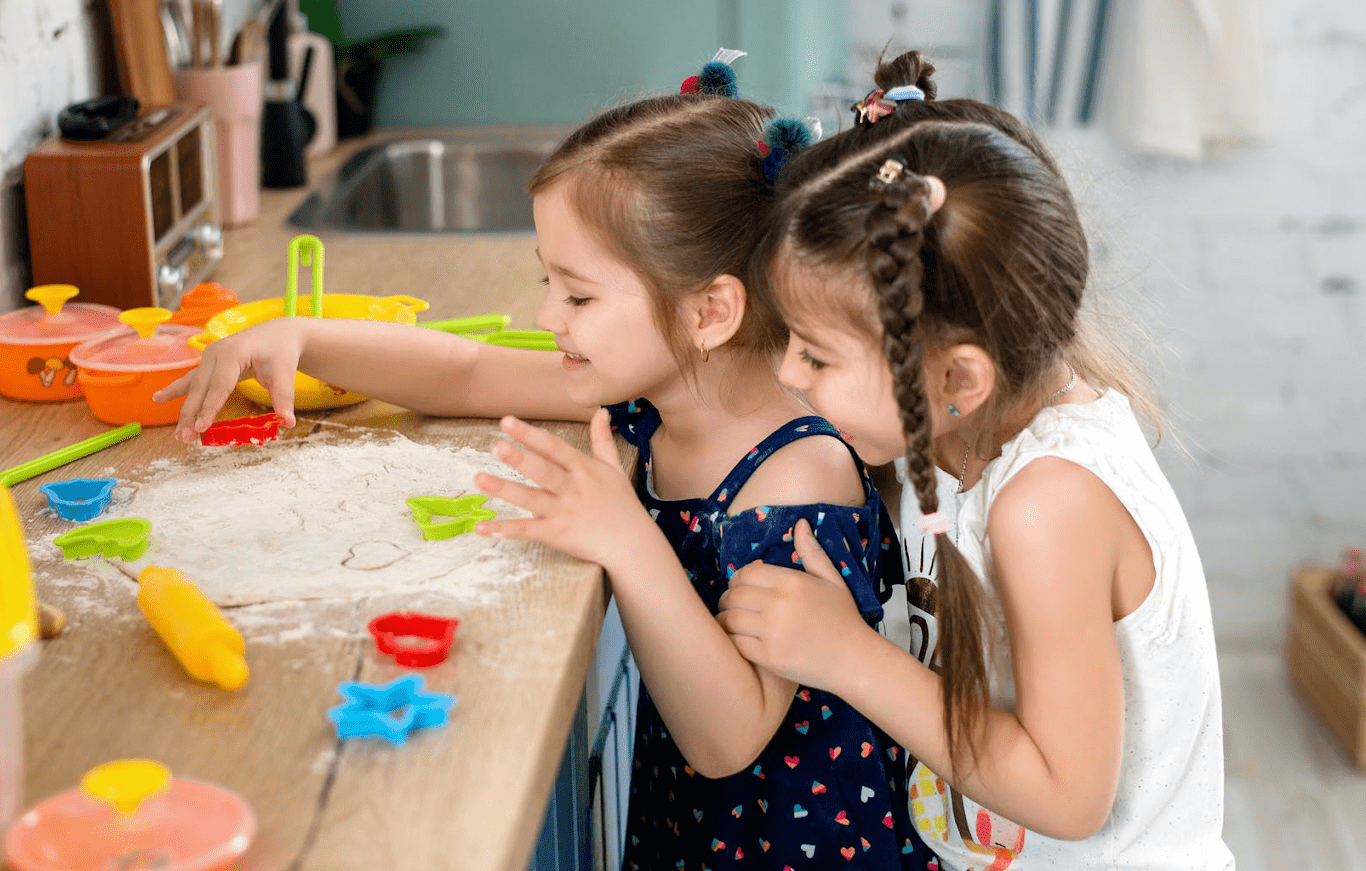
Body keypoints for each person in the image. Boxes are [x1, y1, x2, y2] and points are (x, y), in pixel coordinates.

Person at [156, 56, 932, 870]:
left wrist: (626, 538)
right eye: (548, 281)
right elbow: (467, 372)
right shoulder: (655, 399)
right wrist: (303, 336)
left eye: (578, 295)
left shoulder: (798, 477)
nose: (545, 314)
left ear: (709, 312)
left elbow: (728, 738)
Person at [718, 51, 1234, 871]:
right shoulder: (971, 430)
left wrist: (847, 654)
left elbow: (1069, 795)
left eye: (816, 353)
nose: (788, 372)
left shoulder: (1047, 503)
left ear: (958, 377)